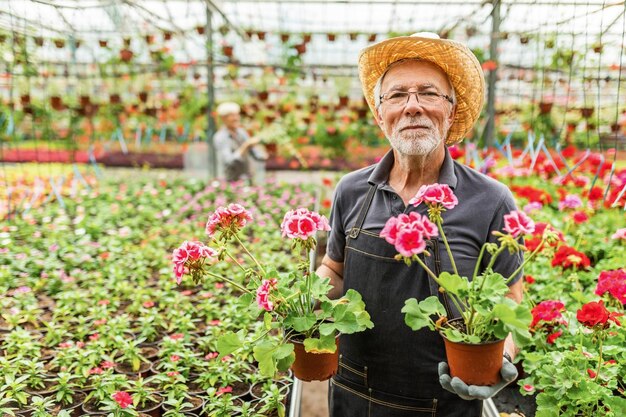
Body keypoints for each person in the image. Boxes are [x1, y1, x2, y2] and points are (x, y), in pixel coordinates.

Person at [317, 33, 522, 416]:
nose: (412, 107)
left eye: (428, 93)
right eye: (397, 95)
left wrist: (501, 357)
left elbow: (510, 300)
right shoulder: (351, 190)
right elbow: (335, 269)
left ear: (451, 111)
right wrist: (303, 297)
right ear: (380, 115)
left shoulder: (491, 200)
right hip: (353, 394)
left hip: (447, 401)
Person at [213, 102, 267, 183]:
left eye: (237, 115)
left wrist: (263, 154)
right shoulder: (221, 137)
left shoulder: (241, 132)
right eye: (232, 116)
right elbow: (229, 161)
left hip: (247, 179)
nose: (236, 118)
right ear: (223, 118)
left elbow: (255, 154)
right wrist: (245, 146)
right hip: (231, 181)